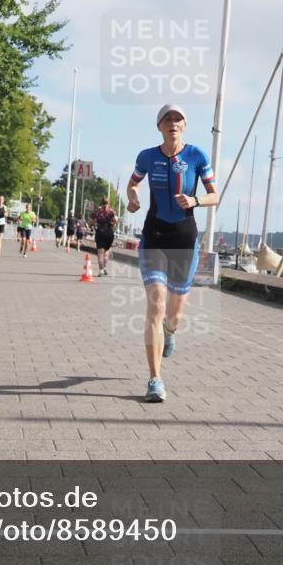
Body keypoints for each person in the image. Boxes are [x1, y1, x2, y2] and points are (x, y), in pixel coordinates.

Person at [126, 103, 218, 403]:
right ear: (159, 126)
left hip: (184, 237)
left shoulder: (197, 156)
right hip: (154, 234)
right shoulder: (146, 156)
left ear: (184, 126)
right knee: (156, 305)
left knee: (174, 316)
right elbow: (133, 184)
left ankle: (170, 331)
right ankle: (155, 379)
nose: (173, 123)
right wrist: (132, 198)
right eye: (168, 119)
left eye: (178, 119)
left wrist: (195, 201)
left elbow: (216, 194)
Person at [92, 197, 119, 276]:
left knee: (100, 252)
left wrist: (94, 225)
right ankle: (104, 268)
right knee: (107, 251)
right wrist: (113, 225)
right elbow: (116, 221)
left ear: (101, 203)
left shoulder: (97, 212)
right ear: (109, 204)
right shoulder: (112, 212)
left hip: (100, 231)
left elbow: (90, 220)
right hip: (109, 232)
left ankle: (101, 270)